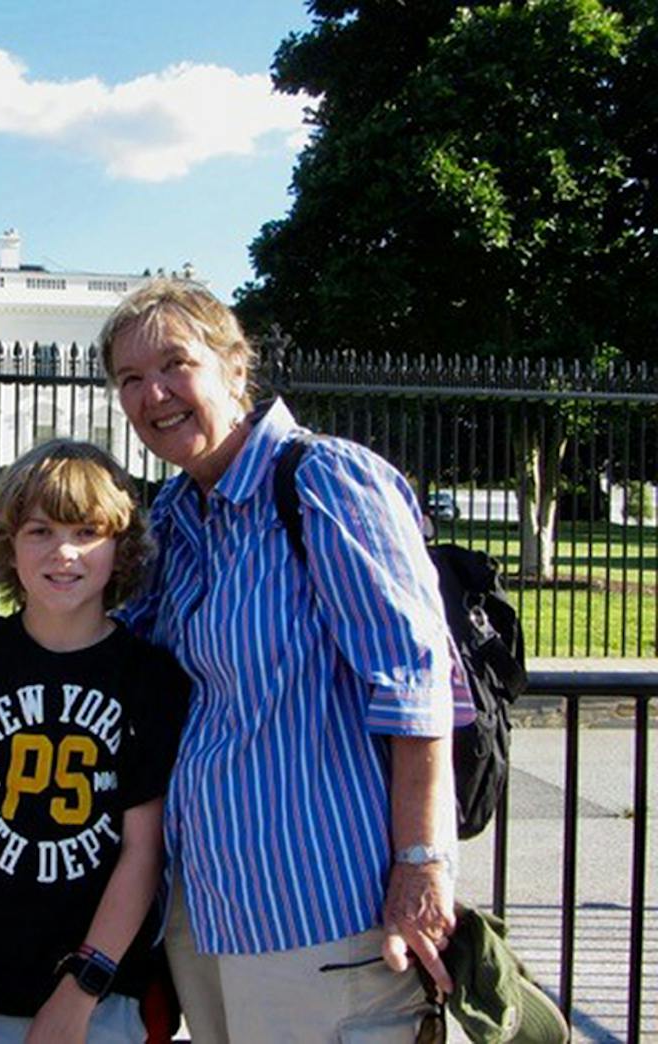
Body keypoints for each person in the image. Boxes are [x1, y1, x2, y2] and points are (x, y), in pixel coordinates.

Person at [98, 279, 470, 1042]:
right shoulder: (176, 516)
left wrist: (424, 864)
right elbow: (116, 647)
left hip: (323, 910)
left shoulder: (324, 481)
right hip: (205, 910)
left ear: (236, 369)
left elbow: (415, 684)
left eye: (175, 364)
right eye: (130, 379)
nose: (153, 394)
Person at [0, 439, 188, 1044]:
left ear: (120, 549)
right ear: (9, 544)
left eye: (87, 531)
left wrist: (83, 986)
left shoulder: (151, 678)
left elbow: (143, 848)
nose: (64, 552)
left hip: (101, 995)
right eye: (39, 531)